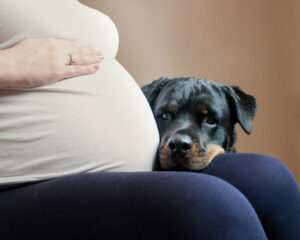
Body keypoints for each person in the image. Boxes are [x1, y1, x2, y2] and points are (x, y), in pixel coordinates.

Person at [0, 1, 299, 239]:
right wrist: (10, 64)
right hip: (16, 184)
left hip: (117, 170)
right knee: (210, 206)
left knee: (269, 178)